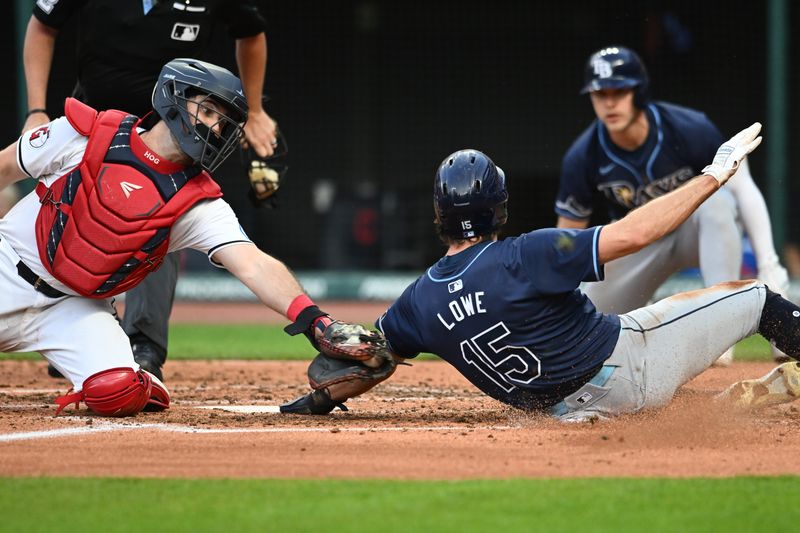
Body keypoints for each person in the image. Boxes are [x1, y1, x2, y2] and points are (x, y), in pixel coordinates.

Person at [282, 135, 800, 421]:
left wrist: (325, 398)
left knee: (638, 342)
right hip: (632, 367)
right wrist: (714, 174)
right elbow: (636, 234)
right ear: (499, 207)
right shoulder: (527, 253)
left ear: (438, 215)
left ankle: (742, 399)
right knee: (756, 298)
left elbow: (373, 359)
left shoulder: (417, 303)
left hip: (560, 412)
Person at [0, 58, 376, 417]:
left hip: (76, 309)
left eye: (224, 123)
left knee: (118, 391)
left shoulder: (197, 200)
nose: (215, 128)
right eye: (209, 111)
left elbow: (252, 263)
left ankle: (140, 379)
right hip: (9, 268)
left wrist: (316, 322)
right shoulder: (85, 132)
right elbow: (3, 169)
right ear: (174, 97)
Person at [22, 0, 280, 381]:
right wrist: (35, 108)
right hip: (94, 126)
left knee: (158, 222)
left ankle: (144, 344)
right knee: (76, 224)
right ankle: (77, 333)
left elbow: (251, 32)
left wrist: (255, 110)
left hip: (171, 134)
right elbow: (43, 25)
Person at [555, 46, 791, 365]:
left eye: (619, 91)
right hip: (638, 247)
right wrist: (556, 297)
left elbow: (744, 190)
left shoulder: (688, 128)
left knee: (717, 202)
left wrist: (768, 263)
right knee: (581, 330)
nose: (609, 102)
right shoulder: (583, 156)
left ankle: (721, 329)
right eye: (600, 93)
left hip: (697, 233)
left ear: (639, 92)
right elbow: (567, 239)